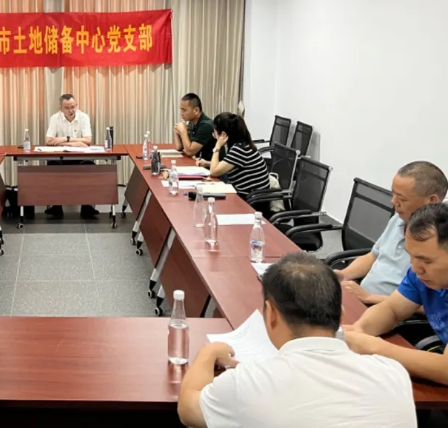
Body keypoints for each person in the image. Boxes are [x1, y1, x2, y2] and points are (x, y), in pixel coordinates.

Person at [178, 252, 416, 428]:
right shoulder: (394, 374)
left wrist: (208, 353)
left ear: (271, 314)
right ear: (340, 314)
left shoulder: (245, 383)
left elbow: (188, 409)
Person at [345, 203, 448, 386]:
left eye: (426, 260)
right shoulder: (420, 276)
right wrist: (360, 330)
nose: (415, 269)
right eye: (411, 256)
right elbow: (391, 310)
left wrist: (373, 347)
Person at [337, 162, 447, 306]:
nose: (393, 202)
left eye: (402, 198)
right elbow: (373, 256)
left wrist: (369, 297)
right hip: (363, 296)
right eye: (393, 194)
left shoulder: (438, 240)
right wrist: (343, 275)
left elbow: (434, 305)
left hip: (391, 307)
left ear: (431, 201)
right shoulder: (398, 219)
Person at [44, 94, 97, 220]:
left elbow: (88, 140)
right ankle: (56, 207)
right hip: (60, 157)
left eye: (73, 107)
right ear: (60, 108)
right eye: (67, 108)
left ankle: (87, 206)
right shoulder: (55, 118)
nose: (71, 110)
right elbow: (48, 141)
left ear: (77, 105)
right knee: (52, 167)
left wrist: (64, 139)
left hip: (80, 156)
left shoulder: (84, 117)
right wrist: (74, 143)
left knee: (89, 167)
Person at [196, 112, 270, 199]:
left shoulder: (239, 149)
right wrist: (207, 163)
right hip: (249, 194)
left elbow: (213, 172)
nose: (214, 135)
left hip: (250, 200)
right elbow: (227, 164)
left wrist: (217, 146)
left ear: (223, 134)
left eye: (214, 133)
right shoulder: (242, 144)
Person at [174, 93, 217, 161]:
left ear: (196, 110)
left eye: (184, 110)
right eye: (181, 110)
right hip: (200, 163)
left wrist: (183, 131)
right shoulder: (192, 122)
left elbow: (190, 152)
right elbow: (179, 148)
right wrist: (177, 131)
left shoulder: (206, 126)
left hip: (211, 165)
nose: (181, 113)